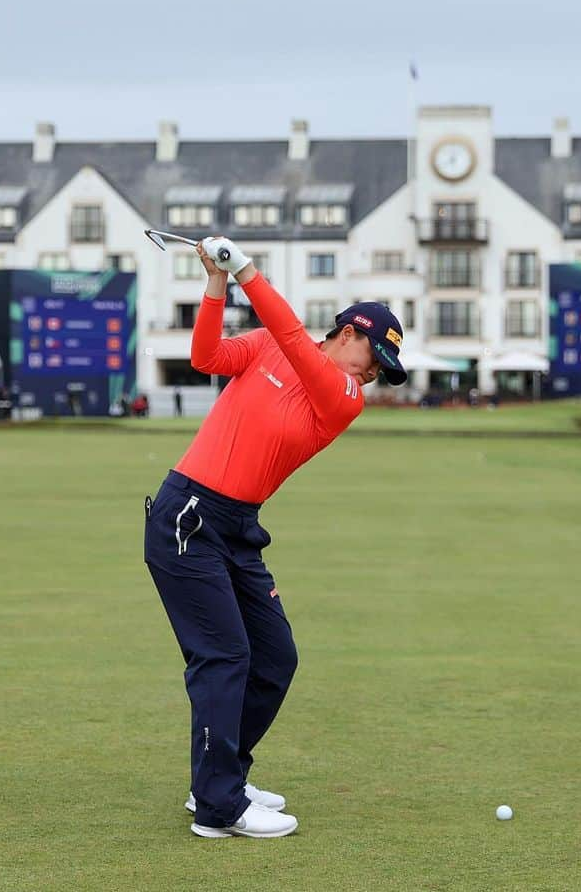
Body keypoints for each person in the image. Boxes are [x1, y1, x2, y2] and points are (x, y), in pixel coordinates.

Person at [143, 235, 406, 840]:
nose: (371, 376)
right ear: (351, 334)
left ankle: (221, 776)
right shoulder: (266, 345)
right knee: (225, 656)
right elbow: (207, 356)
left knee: (275, 658)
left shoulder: (341, 398)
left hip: (237, 529)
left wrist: (249, 273)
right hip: (189, 518)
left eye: (378, 374)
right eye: (373, 360)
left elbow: (291, 338)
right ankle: (216, 807)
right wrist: (216, 284)